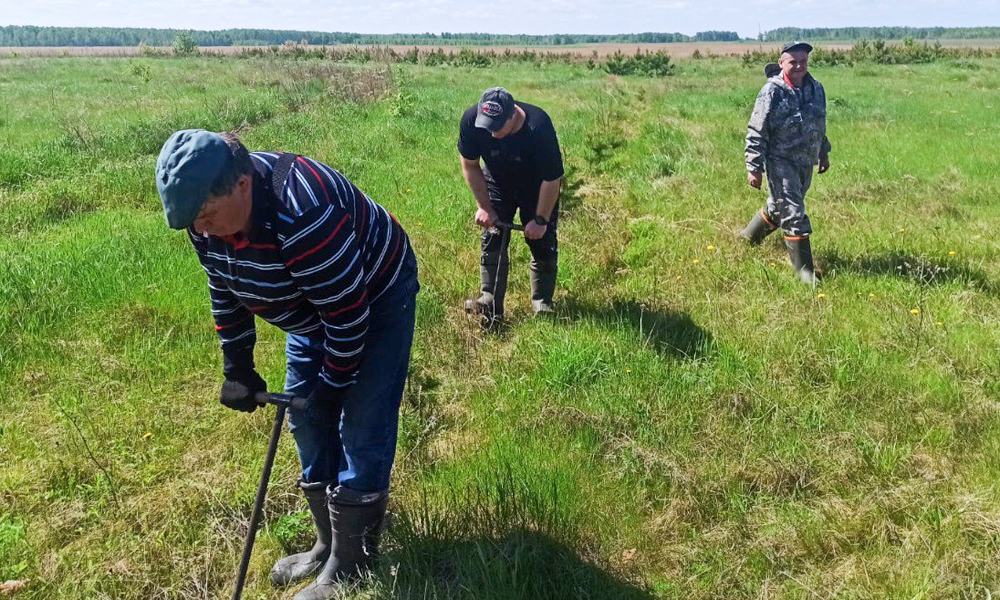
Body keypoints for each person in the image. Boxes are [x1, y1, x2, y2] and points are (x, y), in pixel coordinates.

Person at [155, 130, 418, 600]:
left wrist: (334, 385)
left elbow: (346, 316)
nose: (201, 230)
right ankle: (326, 542)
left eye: (207, 217)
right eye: (192, 223)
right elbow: (225, 286)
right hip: (314, 303)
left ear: (242, 185)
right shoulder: (204, 220)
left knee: (363, 421)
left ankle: (352, 565)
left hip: (373, 299)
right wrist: (237, 365)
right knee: (305, 418)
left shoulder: (302, 212)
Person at [458, 87, 564, 326]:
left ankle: (542, 304)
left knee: (542, 242)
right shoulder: (472, 121)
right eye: (487, 126)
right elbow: (470, 165)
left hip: (537, 185)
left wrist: (540, 220)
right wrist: (484, 207)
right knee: (492, 237)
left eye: (497, 127)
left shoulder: (538, 127)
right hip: (497, 180)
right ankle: (490, 303)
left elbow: (552, 179)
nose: (491, 133)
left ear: (513, 115)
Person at [740, 42, 832, 284]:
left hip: (806, 160)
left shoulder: (816, 88)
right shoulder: (772, 91)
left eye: (803, 61)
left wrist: (824, 152)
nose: (799, 66)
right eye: (793, 61)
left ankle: (748, 238)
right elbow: (757, 129)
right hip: (780, 160)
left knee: (780, 206)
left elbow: (819, 124)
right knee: (794, 212)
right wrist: (754, 166)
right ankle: (806, 275)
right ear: (781, 63)